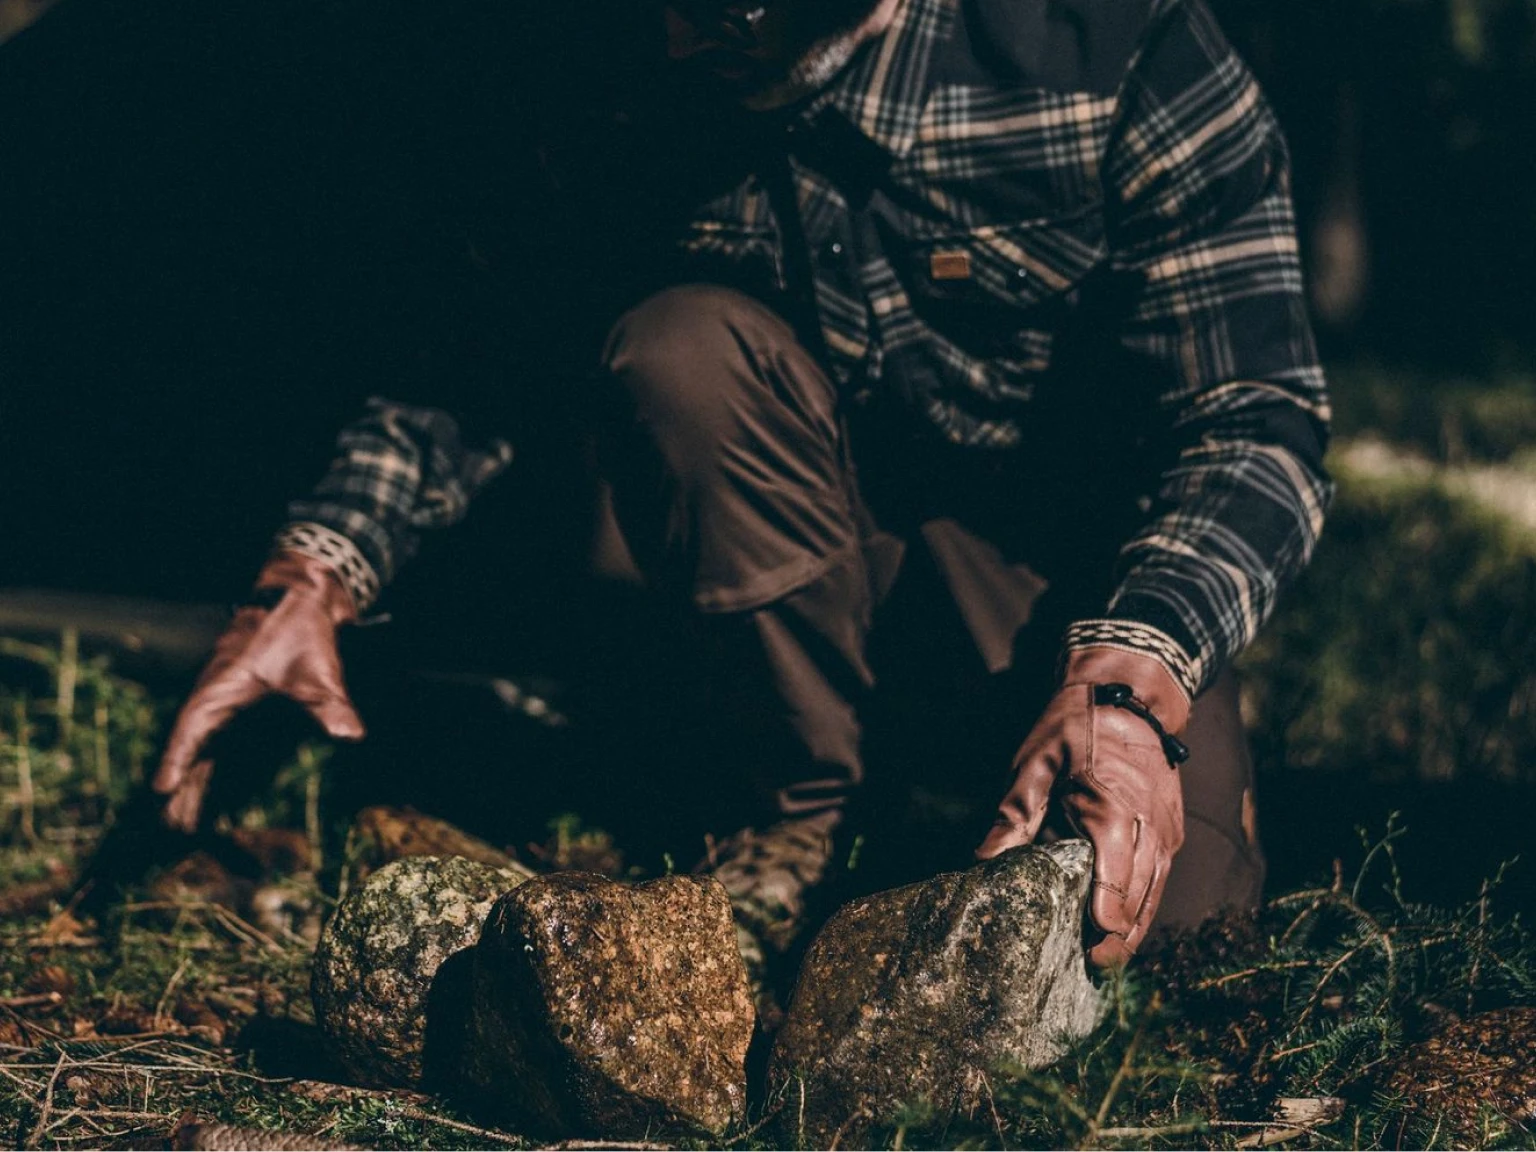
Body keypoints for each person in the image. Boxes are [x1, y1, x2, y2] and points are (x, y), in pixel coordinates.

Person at [153, 0, 1331, 977]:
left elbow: (1254, 421)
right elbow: (483, 355)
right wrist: (316, 572)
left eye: (731, 8)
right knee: (677, 349)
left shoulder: (1122, 44)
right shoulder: (631, 50)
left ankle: (1014, 773)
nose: (677, 37)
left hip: (1066, 598)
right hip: (790, 585)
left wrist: (1130, 684)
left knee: (1170, 939)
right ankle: (795, 810)